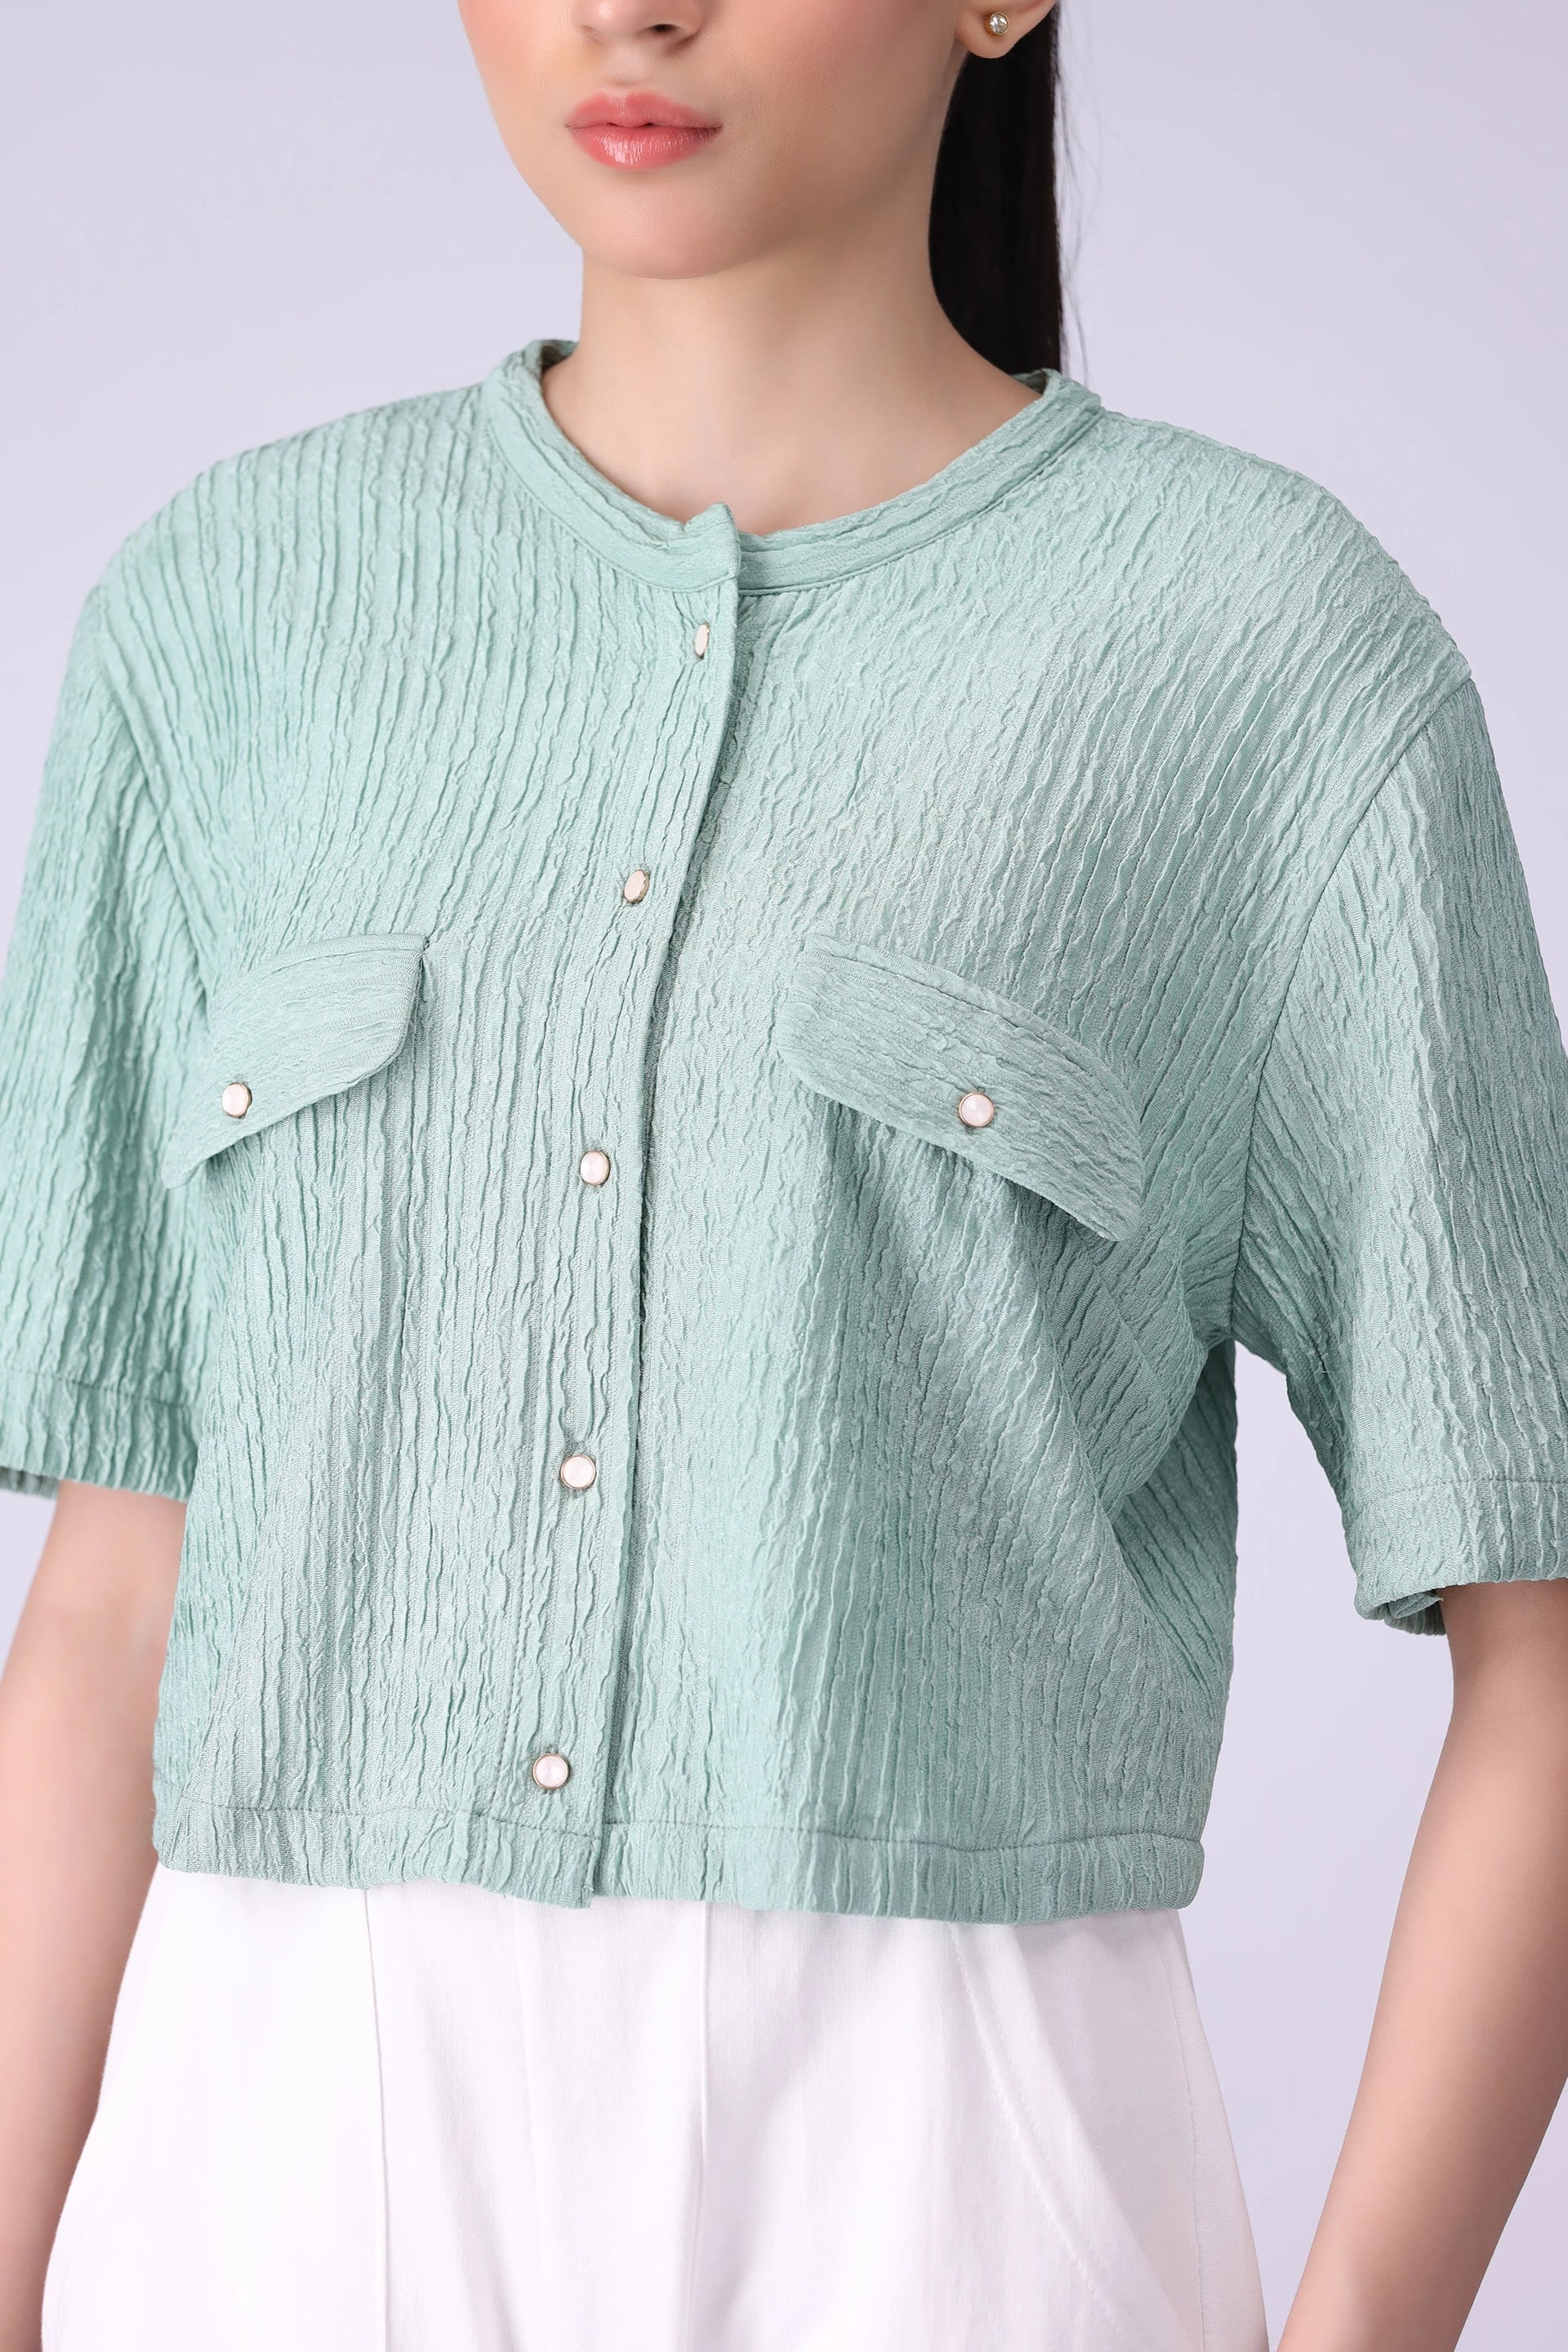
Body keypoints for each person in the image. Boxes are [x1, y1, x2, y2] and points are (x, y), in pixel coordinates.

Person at [2, 0, 1567, 2345]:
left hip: (944, 2175)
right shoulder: (225, 620)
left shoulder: (1268, 663)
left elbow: (1547, 1631)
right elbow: (119, 1594)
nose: (631, 10)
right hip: (275, 2149)